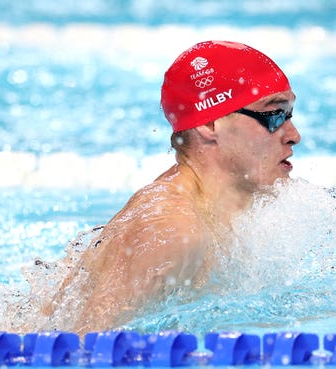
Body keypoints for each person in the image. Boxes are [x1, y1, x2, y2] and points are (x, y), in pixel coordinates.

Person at [44, 40, 301, 334]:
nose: (294, 135)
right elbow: (81, 348)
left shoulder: (221, 207)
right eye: (274, 115)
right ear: (211, 124)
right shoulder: (173, 231)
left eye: (290, 115)